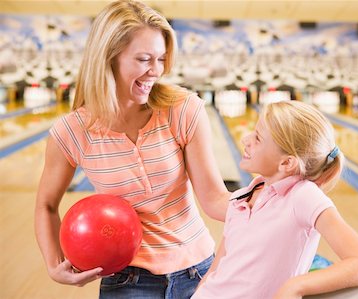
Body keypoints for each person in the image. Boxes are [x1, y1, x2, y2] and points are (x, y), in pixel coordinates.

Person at [34, 1, 230, 298]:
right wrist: (53, 264)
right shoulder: (73, 132)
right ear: (109, 58)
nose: (156, 71)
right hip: (128, 281)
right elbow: (46, 205)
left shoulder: (183, 109)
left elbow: (215, 198)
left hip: (199, 271)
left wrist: (267, 204)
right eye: (143, 59)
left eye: (162, 59)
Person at [192, 101, 358, 299]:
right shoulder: (242, 197)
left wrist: (295, 286)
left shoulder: (303, 196)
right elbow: (218, 268)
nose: (245, 140)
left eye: (257, 138)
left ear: (287, 162)